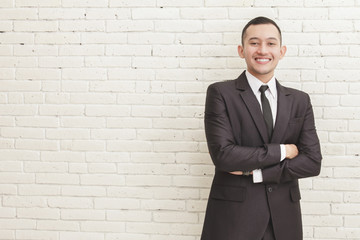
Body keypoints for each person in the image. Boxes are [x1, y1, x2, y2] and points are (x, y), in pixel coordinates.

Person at [201, 16, 322, 240]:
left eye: (271, 43)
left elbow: (312, 162)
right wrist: (283, 151)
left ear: (282, 51)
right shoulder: (220, 93)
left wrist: (256, 173)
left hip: (285, 218)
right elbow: (224, 156)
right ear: (241, 50)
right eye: (254, 43)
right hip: (234, 218)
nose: (262, 50)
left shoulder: (299, 100)